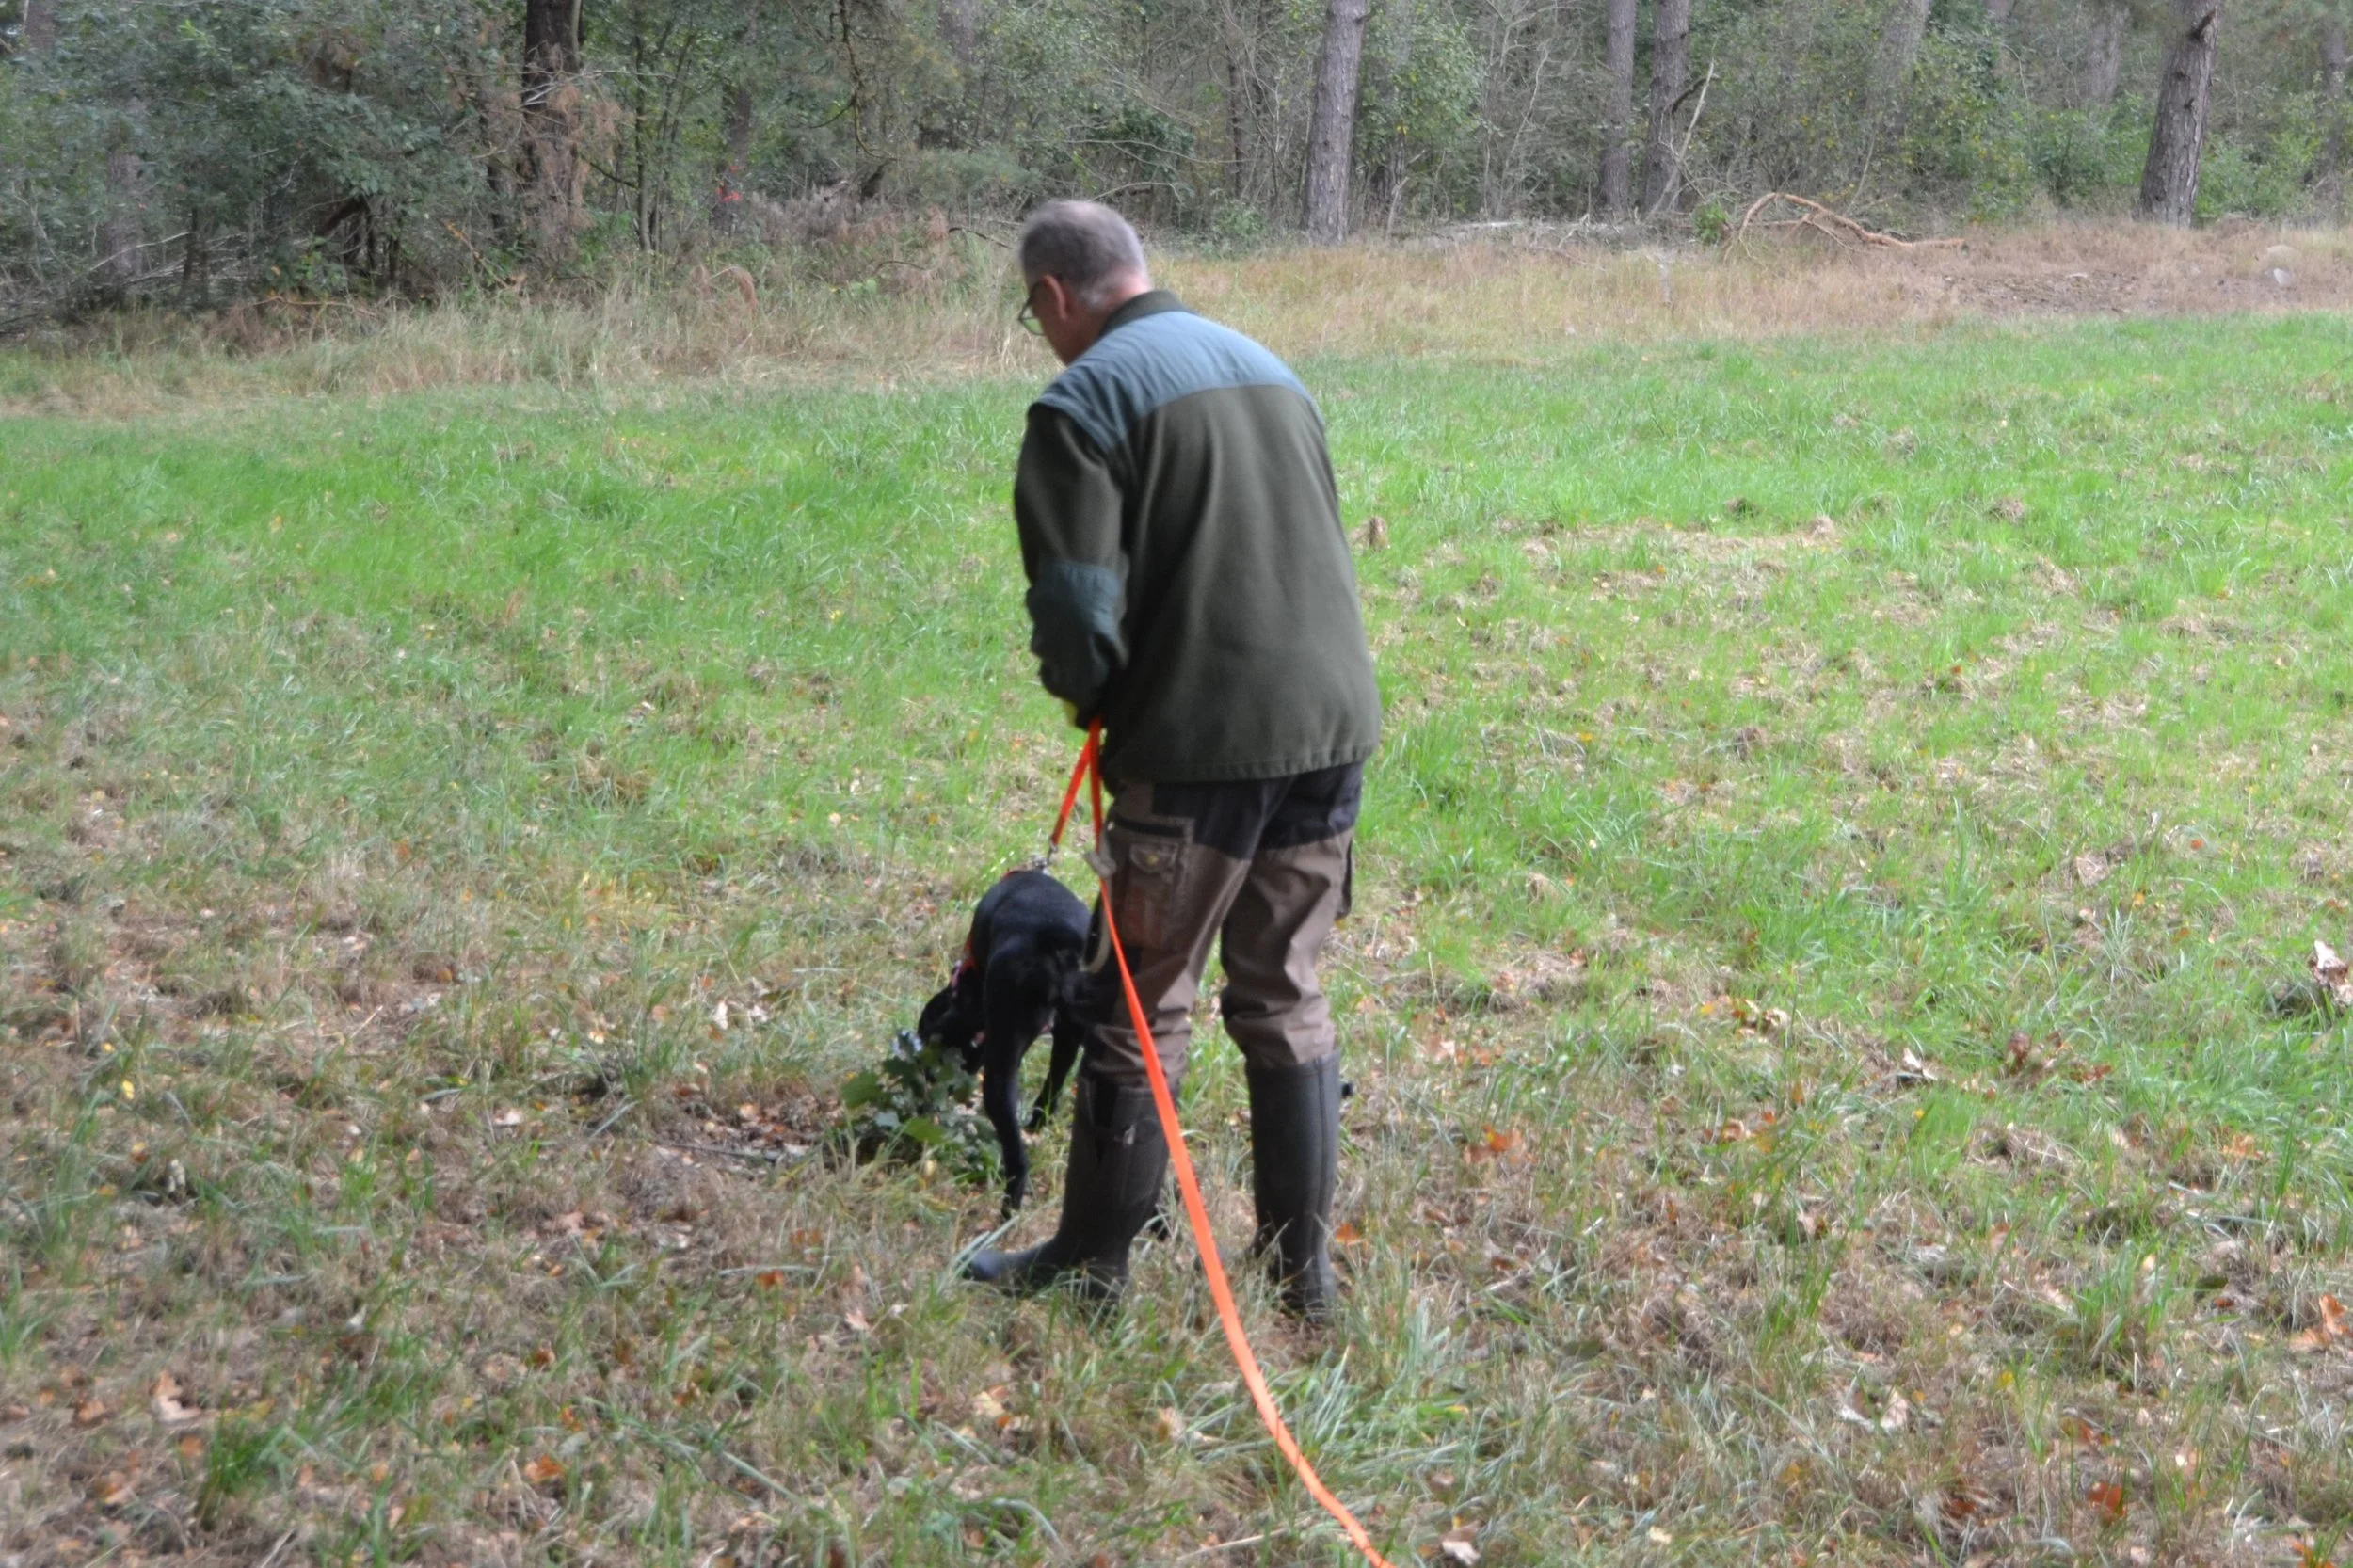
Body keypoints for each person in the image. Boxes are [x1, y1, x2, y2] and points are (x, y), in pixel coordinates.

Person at [964, 200, 1382, 1317]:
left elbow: (1075, 610)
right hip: (1332, 730)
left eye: (1034, 315)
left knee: (1135, 1005)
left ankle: (1089, 1267)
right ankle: (1302, 1282)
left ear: (1054, 296)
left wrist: (1091, 698)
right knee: (1285, 993)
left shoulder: (1082, 402)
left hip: (1200, 743)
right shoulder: (1269, 369)